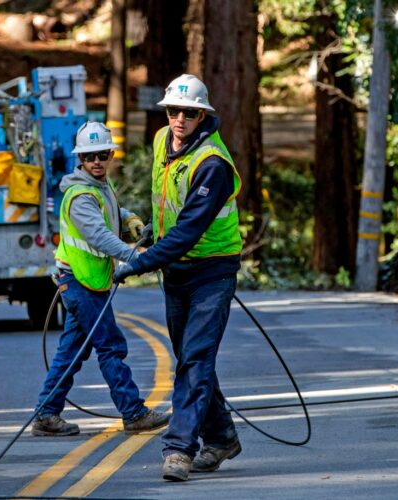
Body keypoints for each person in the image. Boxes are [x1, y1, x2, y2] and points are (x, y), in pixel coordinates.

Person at [113, 74, 243, 481]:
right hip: (177, 271)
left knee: (196, 358)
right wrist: (153, 228)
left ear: (203, 114)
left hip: (213, 270)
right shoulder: (160, 141)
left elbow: (189, 229)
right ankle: (221, 436)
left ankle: (178, 449)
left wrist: (140, 262)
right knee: (191, 358)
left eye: (189, 113)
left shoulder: (213, 165)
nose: (180, 119)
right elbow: (167, 196)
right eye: (173, 111)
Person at [32, 121, 170, 437]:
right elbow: (98, 235)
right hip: (81, 283)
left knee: (73, 351)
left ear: (110, 155)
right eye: (90, 156)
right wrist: (138, 257)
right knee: (110, 345)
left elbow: (109, 213)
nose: (96, 161)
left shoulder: (99, 186)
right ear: (80, 159)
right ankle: (133, 412)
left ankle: (46, 414)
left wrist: (130, 220)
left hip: (86, 281)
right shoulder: (80, 195)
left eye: (102, 155)